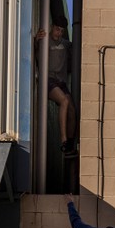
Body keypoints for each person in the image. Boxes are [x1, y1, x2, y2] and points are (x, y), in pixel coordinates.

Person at [35, 16, 77, 153]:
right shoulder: (44, 40)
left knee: (72, 110)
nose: (58, 33)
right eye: (57, 29)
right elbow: (34, 47)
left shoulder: (65, 44)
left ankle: (70, 144)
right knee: (64, 101)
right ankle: (63, 140)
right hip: (48, 80)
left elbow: (78, 46)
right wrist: (36, 39)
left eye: (61, 31)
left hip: (61, 82)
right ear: (52, 27)